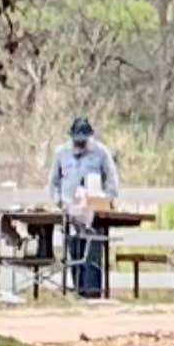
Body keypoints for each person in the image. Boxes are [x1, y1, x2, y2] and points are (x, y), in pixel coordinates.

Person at [49, 116, 122, 298]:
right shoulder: (61, 153)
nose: (80, 144)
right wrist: (60, 202)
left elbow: (112, 184)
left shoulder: (101, 153)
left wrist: (101, 201)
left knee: (92, 255)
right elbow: (53, 183)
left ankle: (93, 293)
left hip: (94, 214)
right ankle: (78, 292)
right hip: (71, 212)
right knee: (75, 253)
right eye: (77, 140)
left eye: (83, 140)